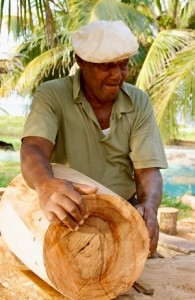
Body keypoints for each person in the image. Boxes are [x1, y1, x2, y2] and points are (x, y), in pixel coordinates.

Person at [20, 20, 168, 256]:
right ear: (81, 62)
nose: (117, 75)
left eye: (123, 65)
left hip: (122, 212)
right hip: (69, 210)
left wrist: (149, 207)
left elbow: (148, 170)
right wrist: (45, 185)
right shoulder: (52, 95)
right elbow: (34, 148)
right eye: (106, 66)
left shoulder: (139, 102)